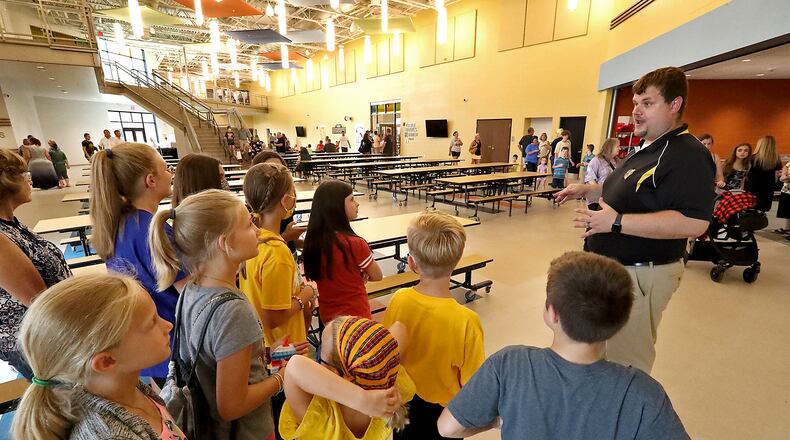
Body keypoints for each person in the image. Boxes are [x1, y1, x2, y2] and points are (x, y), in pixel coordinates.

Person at [555, 66, 715, 374]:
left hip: (642, 274)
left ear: (675, 104)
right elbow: (632, 191)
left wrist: (616, 223)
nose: (636, 111)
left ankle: (626, 404)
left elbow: (694, 222)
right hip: (614, 269)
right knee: (604, 349)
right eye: (636, 103)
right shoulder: (648, 147)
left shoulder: (687, 155)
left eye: (648, 103)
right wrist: (588, 189)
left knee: (626, 359)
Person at [437, 252, 689, 439]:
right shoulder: (643, 393)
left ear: (552, 314)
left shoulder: (510, 364)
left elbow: (447, 428)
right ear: (622, 320)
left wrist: (496, 422)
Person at [149, 189, 280, 439]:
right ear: (225, 243)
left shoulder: (191, 290)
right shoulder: (234, 310)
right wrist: (280, 378)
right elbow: (231, 406)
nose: (258, 231)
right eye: (248, 225)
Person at [11, 274, 185, 440]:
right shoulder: (110, 434)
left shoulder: (128, 386)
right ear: (107, 361)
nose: (168, 325)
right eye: (152, 322)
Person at [383, 211, 484, 440]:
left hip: (404, 404)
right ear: (457, 261)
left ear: (411, 262)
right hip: (444, 415)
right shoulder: (467, 321)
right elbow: (472, 385)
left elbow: (390, 351)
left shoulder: (399, 299)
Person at [90, 144, 187, 381]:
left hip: (149, 346)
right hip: (176, 345)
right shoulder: (153, 231)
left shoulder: (119, 225)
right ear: (150, 180)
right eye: (166, 168)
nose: (171, 173)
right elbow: (191, 293)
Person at [280, 316, 413, 440]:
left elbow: (294, 366)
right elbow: (399, 327)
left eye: (320, 355)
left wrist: (363, 400)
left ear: (336, 373)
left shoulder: (318, 413)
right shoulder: (388, 390)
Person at [0, 150, 71, 379]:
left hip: (54, 331)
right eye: (24, 175)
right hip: (43, 341)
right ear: (6, 181)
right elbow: (39, 300)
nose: (30, 180)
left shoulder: (11, 223)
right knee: (71, 396)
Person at [303, 180, 382, 323]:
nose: (357, 203)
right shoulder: (356, 244)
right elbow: (377, 275)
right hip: (357, 315)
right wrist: (360, 275)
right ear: (337, 207)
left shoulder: (314, 241)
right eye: (351, 199)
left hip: (328, 316)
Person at [745, 135, 782, 212]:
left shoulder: (752, 158)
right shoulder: (777, 160)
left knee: (751, 213)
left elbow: (747, 175)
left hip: (753, 190)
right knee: (762, 212)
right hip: (768, 191)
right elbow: (776, 178)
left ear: (760, 146)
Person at [584, 138, 620, 210]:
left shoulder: (615, 161)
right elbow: (590, 179)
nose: (619, 148)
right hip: (597, 199)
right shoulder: (596, 160)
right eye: (617, 146)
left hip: (610, 198)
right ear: (610, 147)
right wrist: (599, 193)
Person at [775, 160, 790, 237]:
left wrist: (786, 177)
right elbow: (786, 167)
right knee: (786, 211)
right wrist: (784, 175)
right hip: (786, 189)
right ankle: (787, 228)